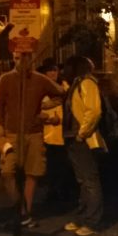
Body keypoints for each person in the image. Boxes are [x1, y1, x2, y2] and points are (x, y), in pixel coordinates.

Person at [0, 52, 64, 227]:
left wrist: (43, 109)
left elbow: (61, 93)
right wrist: (0, 135)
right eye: (17, 57)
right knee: (7, 172)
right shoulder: (6, 79)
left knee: (32, 173)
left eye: (23, 57)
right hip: (12, 133)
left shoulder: (39, 79)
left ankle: (25, 215)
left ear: (30, 58)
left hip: (34, 134)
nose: (20, 61)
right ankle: (22, 210)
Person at [60, 55, 104, 236]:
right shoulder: (76, 84)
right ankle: (83, 216)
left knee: (89, 180)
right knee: (83, 180)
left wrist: (81, 134)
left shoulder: (87, 83)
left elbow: (94, 111)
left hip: (82, 139)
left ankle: (92, 220)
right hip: (74, 137)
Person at [36, 59, 76, 210]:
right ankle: (53, 193)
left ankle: (64, 193)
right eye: (50, 70)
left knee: (65, 165)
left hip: (64, 133)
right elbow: (36, 109)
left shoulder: (65, 87)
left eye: (55, 70)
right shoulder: (40, 88)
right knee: (52, 166)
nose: (53, 73)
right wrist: (48, 119)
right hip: (49, 134)